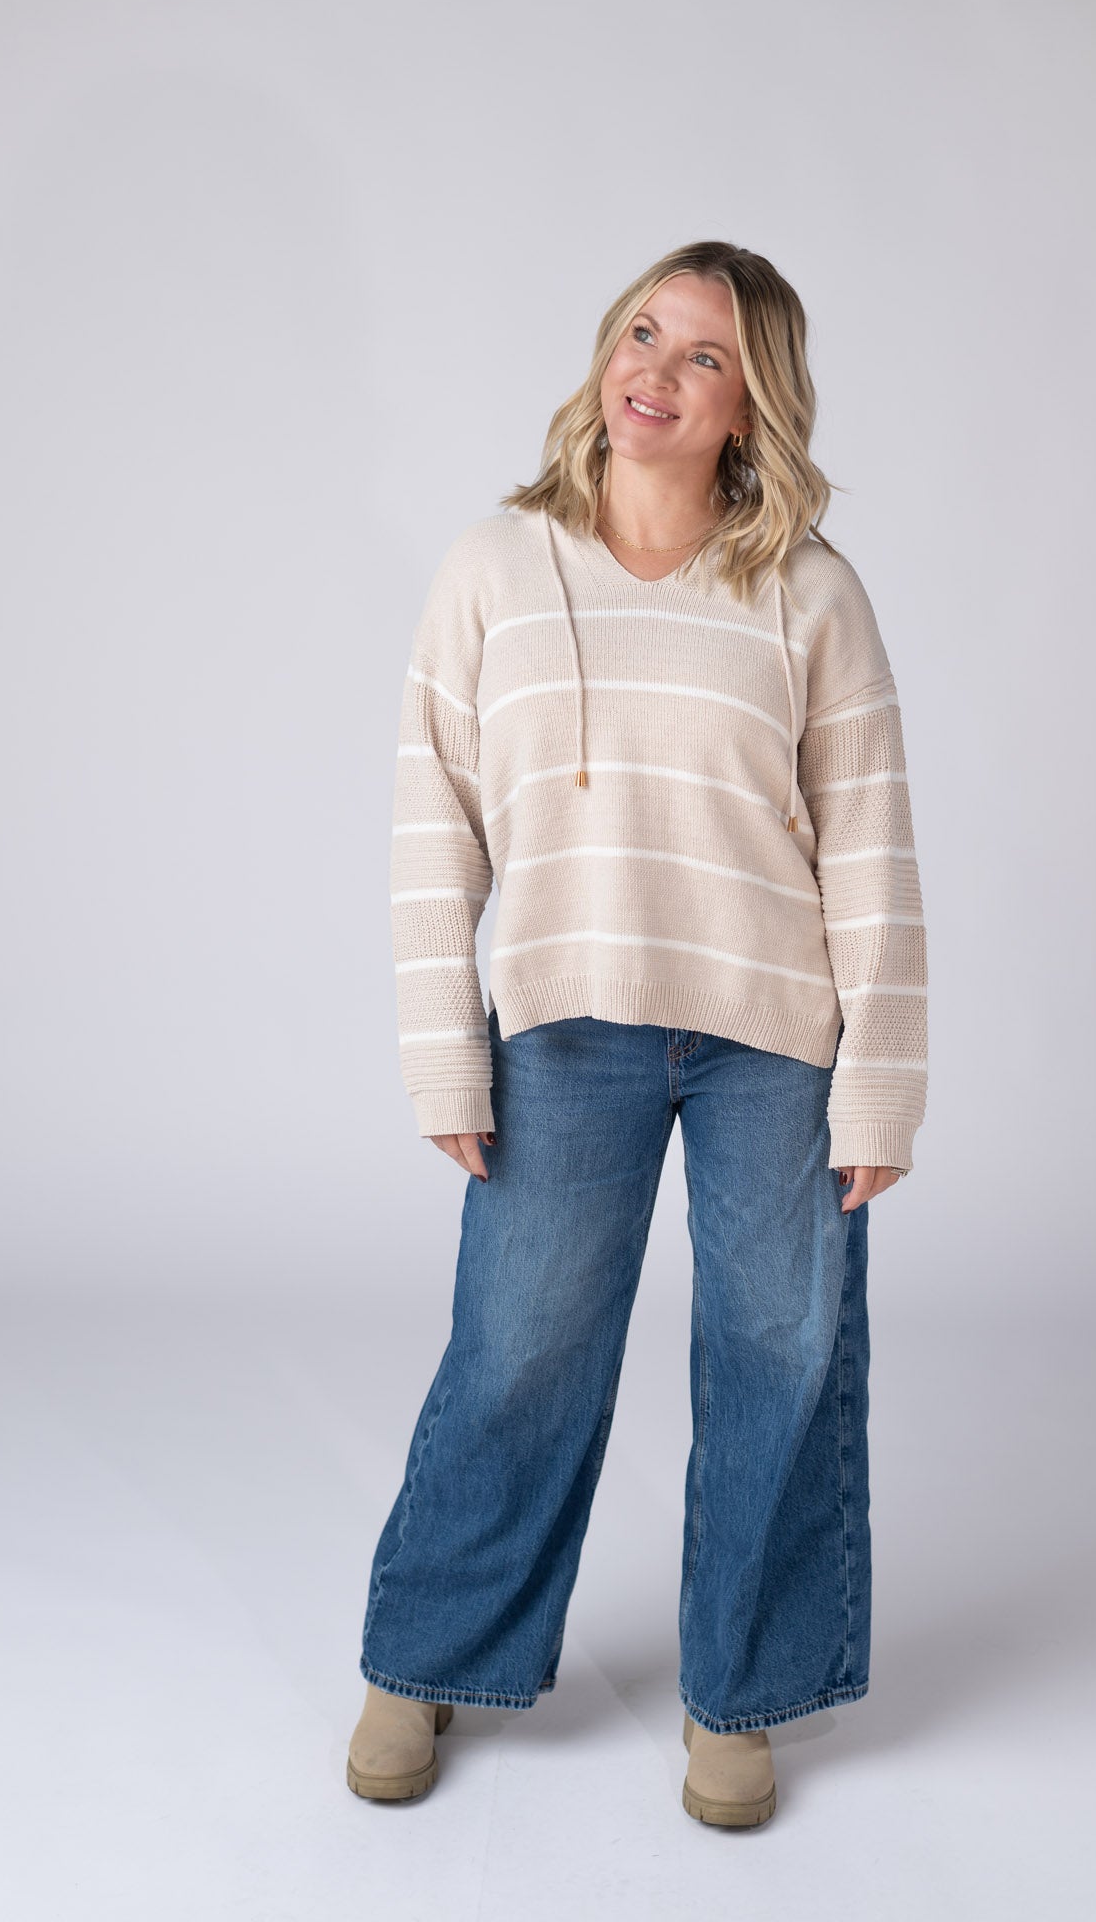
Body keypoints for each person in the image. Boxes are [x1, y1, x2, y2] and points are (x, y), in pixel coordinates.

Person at [346, 240, 927, 1826]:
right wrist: (442, 1046)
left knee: (779, 1360)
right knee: (516, 1352)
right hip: (562, 1030)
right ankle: (427, 1655)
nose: (653, 372)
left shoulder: (807, 591)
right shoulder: (493, 567)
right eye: (641, 333)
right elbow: (430, 820)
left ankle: (741, 1694)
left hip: (771, 1042)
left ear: (752, 407)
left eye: (703, 356)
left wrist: (880, 1084)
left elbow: (869, 844)